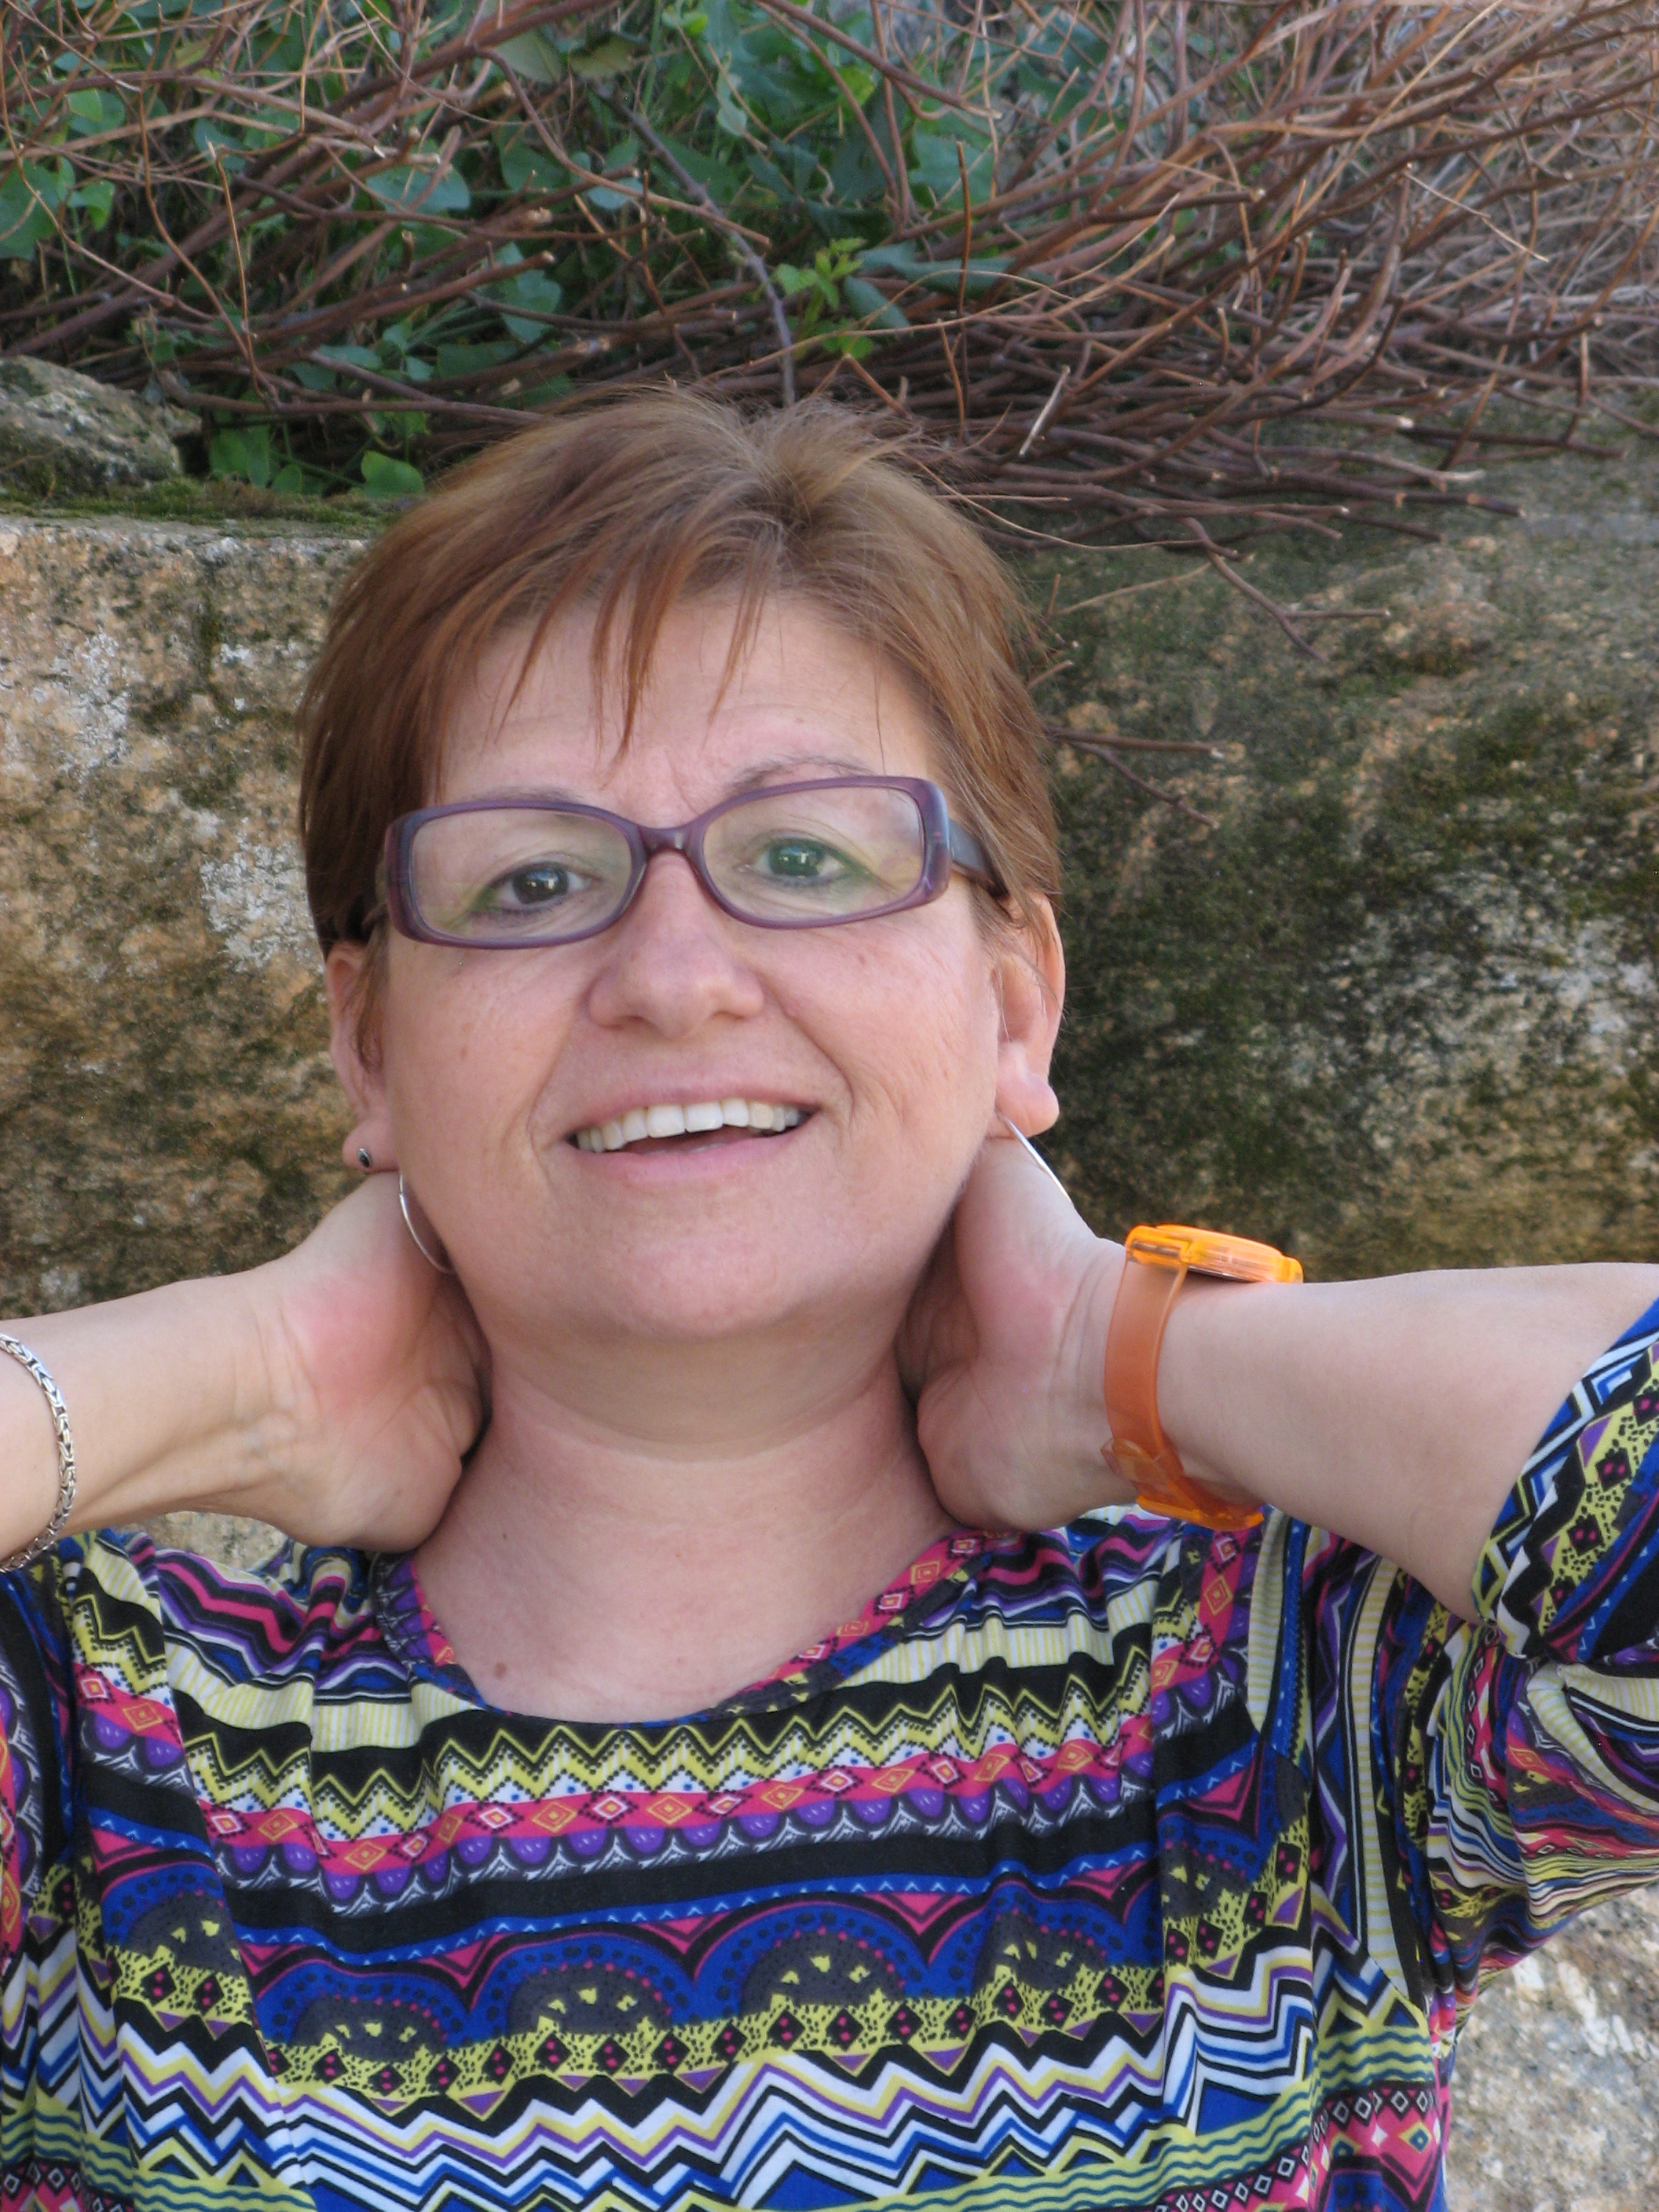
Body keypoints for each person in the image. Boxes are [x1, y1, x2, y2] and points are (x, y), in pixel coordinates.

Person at [0, 394, 1654, 2212]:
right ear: (371, 1044)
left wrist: (1127, 1348)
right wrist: (240, 1373)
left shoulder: (1277, 1705)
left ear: (1013, 1006)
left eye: (804, 855)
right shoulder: (106, 1756)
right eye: (534, 879)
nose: (675, 975)